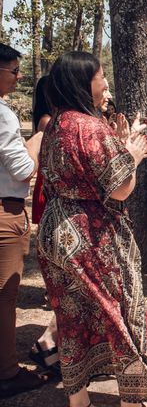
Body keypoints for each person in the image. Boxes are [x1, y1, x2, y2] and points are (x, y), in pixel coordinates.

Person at [37, 51, 147, 406]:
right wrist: (133, 154)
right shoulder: (90, 126)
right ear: (85, 83)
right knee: (121, 315)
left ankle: (78, 400)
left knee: (71, 320)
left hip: (56, 231)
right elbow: (120, 187)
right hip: (90, 235)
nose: (107, 84)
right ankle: (132, 399)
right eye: (102, 77)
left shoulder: (56, 124)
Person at [0, 43, 46, 399]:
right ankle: (7, 372)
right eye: (14, 71)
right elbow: (23, 169)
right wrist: (38, 141)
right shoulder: (3, 115)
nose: (18, 78)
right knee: (5, 296)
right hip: (5, 211)